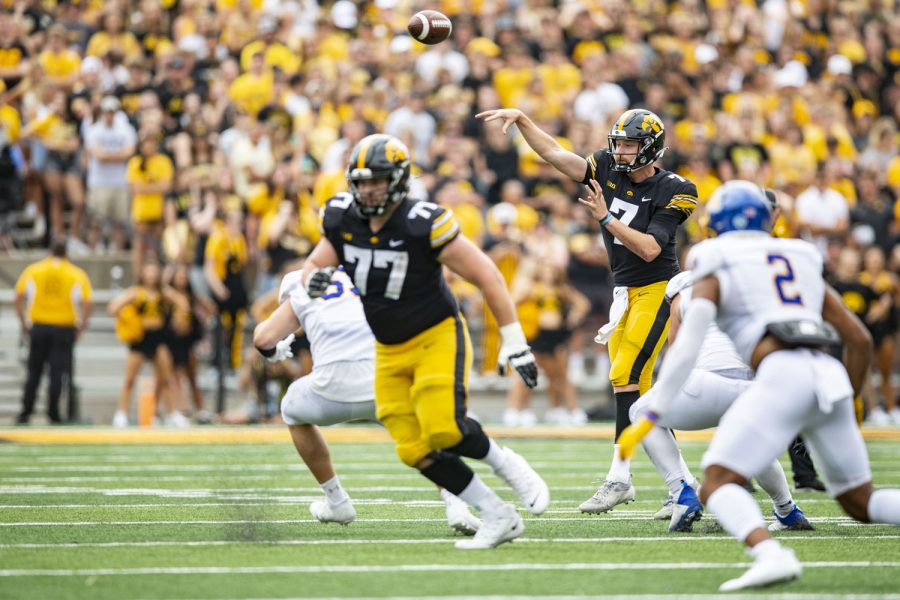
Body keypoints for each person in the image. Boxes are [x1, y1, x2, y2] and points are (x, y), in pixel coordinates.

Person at [618, 181, 900, 591]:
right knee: (860, 500)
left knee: (715, 483)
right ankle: (785, 510)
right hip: (827, 375)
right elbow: (858, 339)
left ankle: (770, 555)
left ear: (718, 222)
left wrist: (656, 407)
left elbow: (689, 341)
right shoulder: (800, 254)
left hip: (777, 375)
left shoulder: (712, 256)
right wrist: (848, 401)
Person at [301, 134, 547, 549]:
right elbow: (313, 264)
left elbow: (487, 273)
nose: (367, 190)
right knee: (411, 447)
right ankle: (496, 514)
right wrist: (313, 279)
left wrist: (514, 341)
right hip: (388, 346)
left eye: (377, 180)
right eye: (360, 182)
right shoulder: (343, 217)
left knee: (444, 430)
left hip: (435, 334)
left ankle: (507, 464)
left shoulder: (423, 221)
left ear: (398, 180)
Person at [476, 107, 698, 512]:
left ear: (650, 149)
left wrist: (606, 217)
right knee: (634, 393)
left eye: (630, 145)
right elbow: (557, 156)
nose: (621, 151)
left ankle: (620, 478)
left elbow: (649, 249)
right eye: (619, 143)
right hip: (624, 292)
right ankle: (681, 485)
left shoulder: (676, 188)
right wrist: (526, 121)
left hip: (658, 289)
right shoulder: (606, 168)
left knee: (624, 377)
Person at [254, 267, 481, 535]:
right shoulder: (382, 272)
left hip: (330, 390)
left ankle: (336, 500)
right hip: (385, 384)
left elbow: (263, 338)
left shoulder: (303, 280)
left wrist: (274, 351)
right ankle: (455, 504)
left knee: (291, 408)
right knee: (428, 430)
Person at [628, 270, 814, 534]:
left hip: (706, 382)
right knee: (752, 443)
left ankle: (681, 490)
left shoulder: (685, 292)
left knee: (640, 412)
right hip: (751, 386)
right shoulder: (747, 295)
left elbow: (678, 354)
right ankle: (787, 510)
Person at [13, 237, 92, 424]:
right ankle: (53, 413)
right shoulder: (75, 273)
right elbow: (88, 302)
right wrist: (82, 325)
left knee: (34, 371)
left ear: (50, 251)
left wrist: (23, 321)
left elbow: (18, 296)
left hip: (39, 325)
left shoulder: (35, 270)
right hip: (64, 327)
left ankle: (26, 411)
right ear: (66, 253)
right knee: (58, 373)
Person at [107, 262, 190, 428]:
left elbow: (182, 303)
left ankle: (172, 414)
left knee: (165, 379)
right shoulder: (136, 292)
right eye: (148, 272)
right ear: (142, 274)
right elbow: (113, 307)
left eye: (154, 272)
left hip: (158, 338)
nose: (151, 276)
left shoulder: (162, 292)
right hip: (140, 338)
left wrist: (179, 318)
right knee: (129, 379)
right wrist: (129, 321)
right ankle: (121, 413)